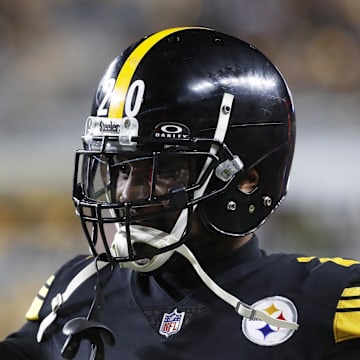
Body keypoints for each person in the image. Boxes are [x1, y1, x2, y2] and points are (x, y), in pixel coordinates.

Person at [1, 26, 359, 359]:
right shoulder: (75, 291)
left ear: (246, 180)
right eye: (123, 168)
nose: (126, 193)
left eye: (164, 169)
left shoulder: (329, 301)